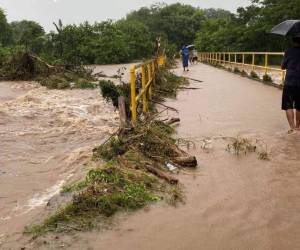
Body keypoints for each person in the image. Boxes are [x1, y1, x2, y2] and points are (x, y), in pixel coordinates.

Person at [281, 36, 300, 134]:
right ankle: (298, 127)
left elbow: (282, 66)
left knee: (288, 105)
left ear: (292, 41)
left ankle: (292, 129)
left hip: (290, 82)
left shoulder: (288, 51)